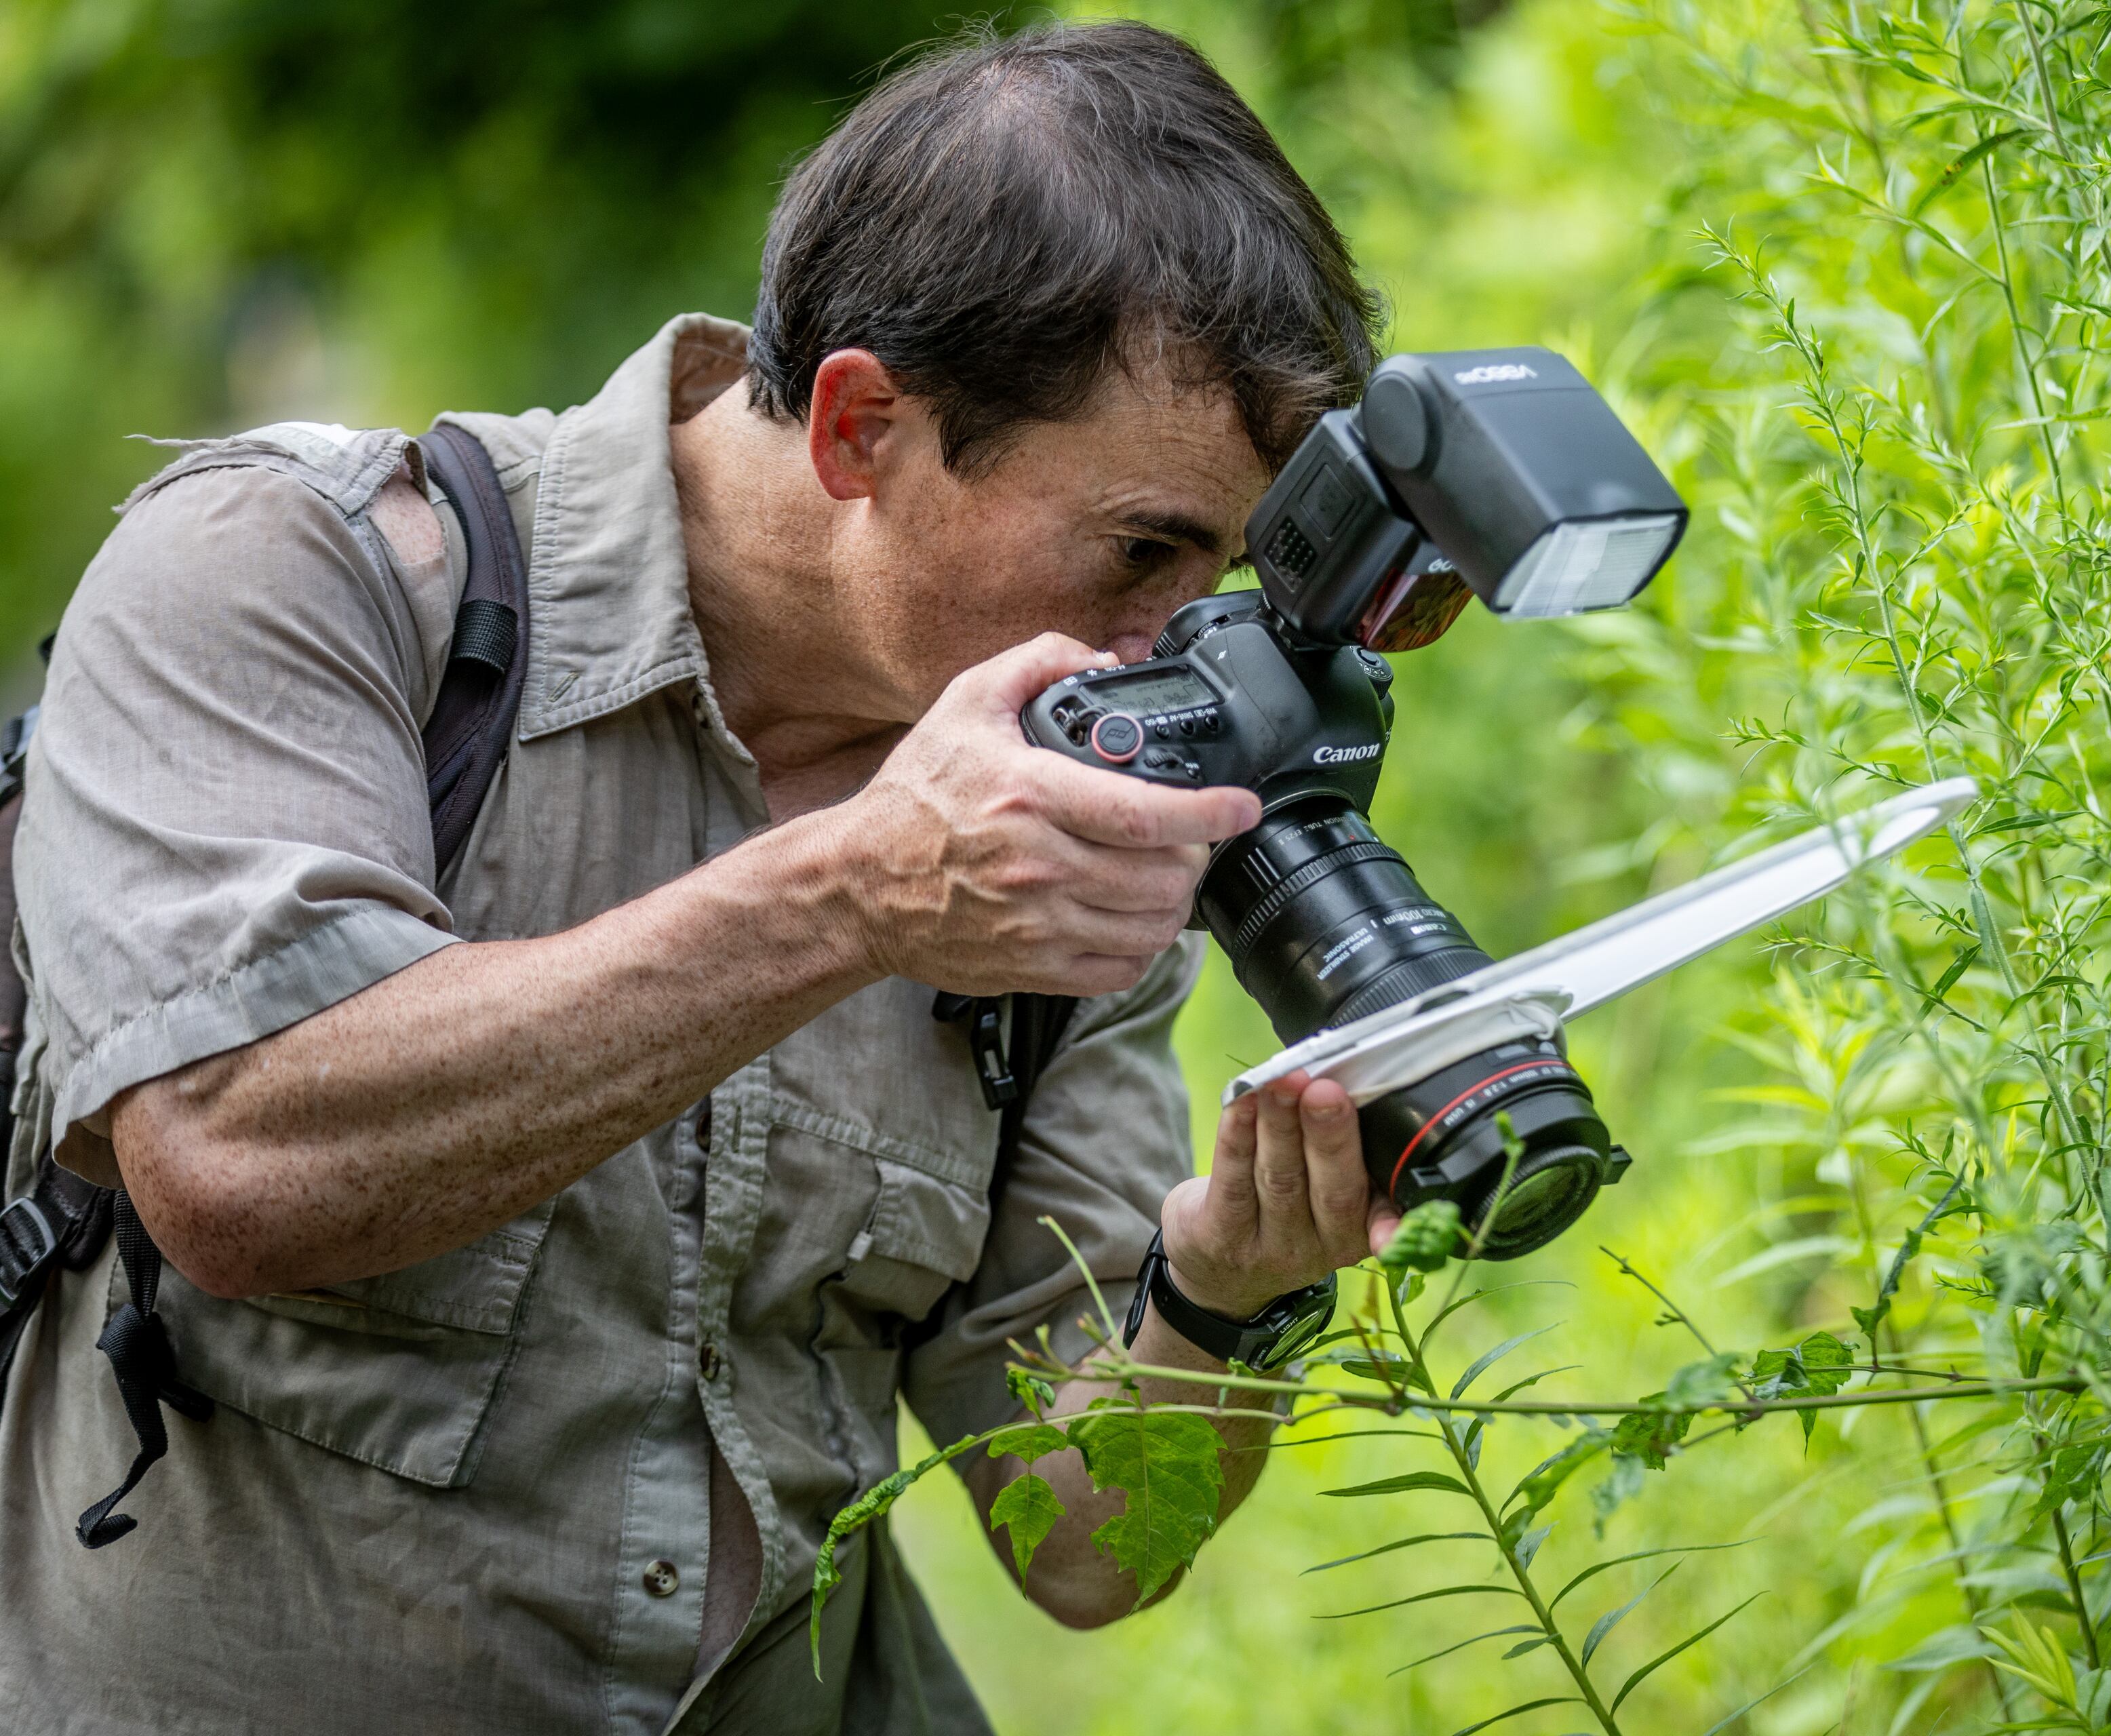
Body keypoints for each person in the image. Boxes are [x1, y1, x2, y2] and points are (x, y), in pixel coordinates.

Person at [0, 20, 1400, 1733]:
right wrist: (850, 896)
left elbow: (1088, 1548)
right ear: (860, 424)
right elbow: (229, 1153)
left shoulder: (1075, 804)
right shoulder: (295, 577)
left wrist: (1228, 1291)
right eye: (1141, 548)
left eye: (1225, 569)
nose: (1176, 636)